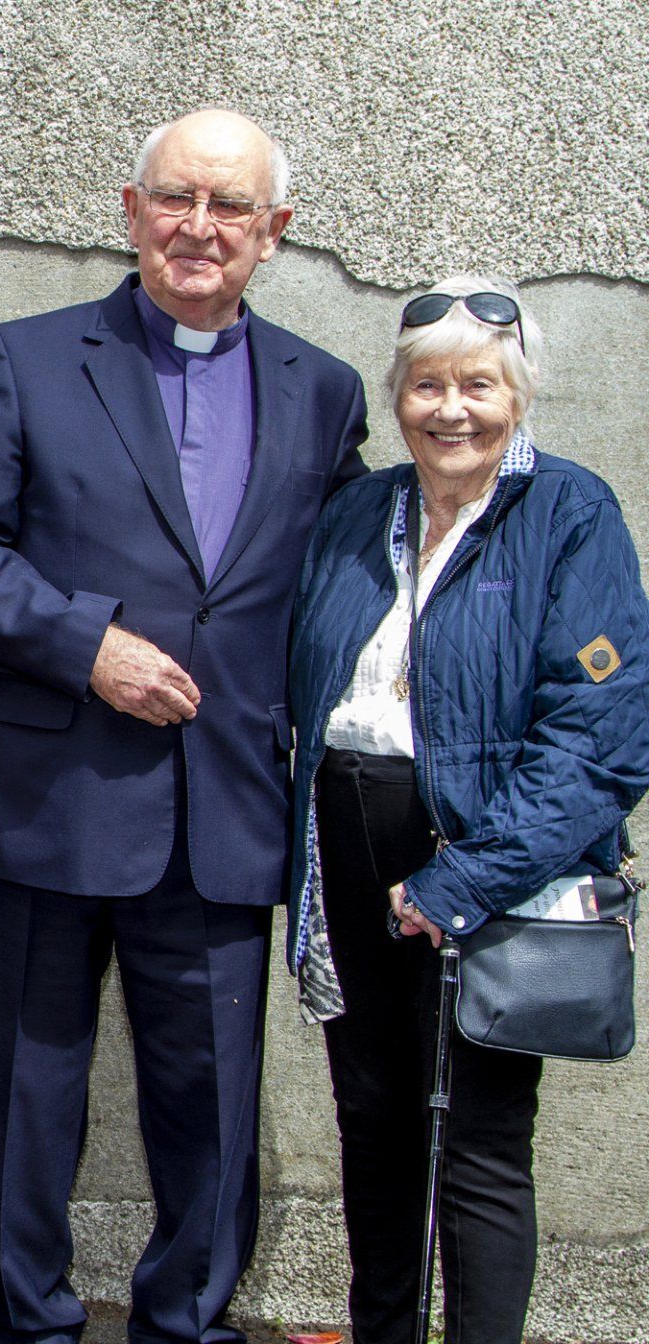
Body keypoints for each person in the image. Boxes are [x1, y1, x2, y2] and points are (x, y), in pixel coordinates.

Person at [0, 109, 368, 1344]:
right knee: (26, 1103)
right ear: (130, 209)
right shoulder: (25, 356)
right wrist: (86, 645)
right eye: (176, 199)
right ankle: (28, 1326)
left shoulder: (327, 395)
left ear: (274, 233)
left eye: (230, 208)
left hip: (225, 811)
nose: (198, 228)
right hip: (44, 808)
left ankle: (188, 1324)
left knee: (211, 1114)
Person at [285, 276, 649, 1344]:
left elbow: (602, 735)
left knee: (481, 1136)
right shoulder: (360, 511)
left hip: (486, 863)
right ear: (399, 399)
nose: (452, 408)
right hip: (350, 851)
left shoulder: (568, 513)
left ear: (520, 395)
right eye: (428, 385)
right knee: (372, 1121)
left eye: (478, 385)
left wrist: (462, 881)